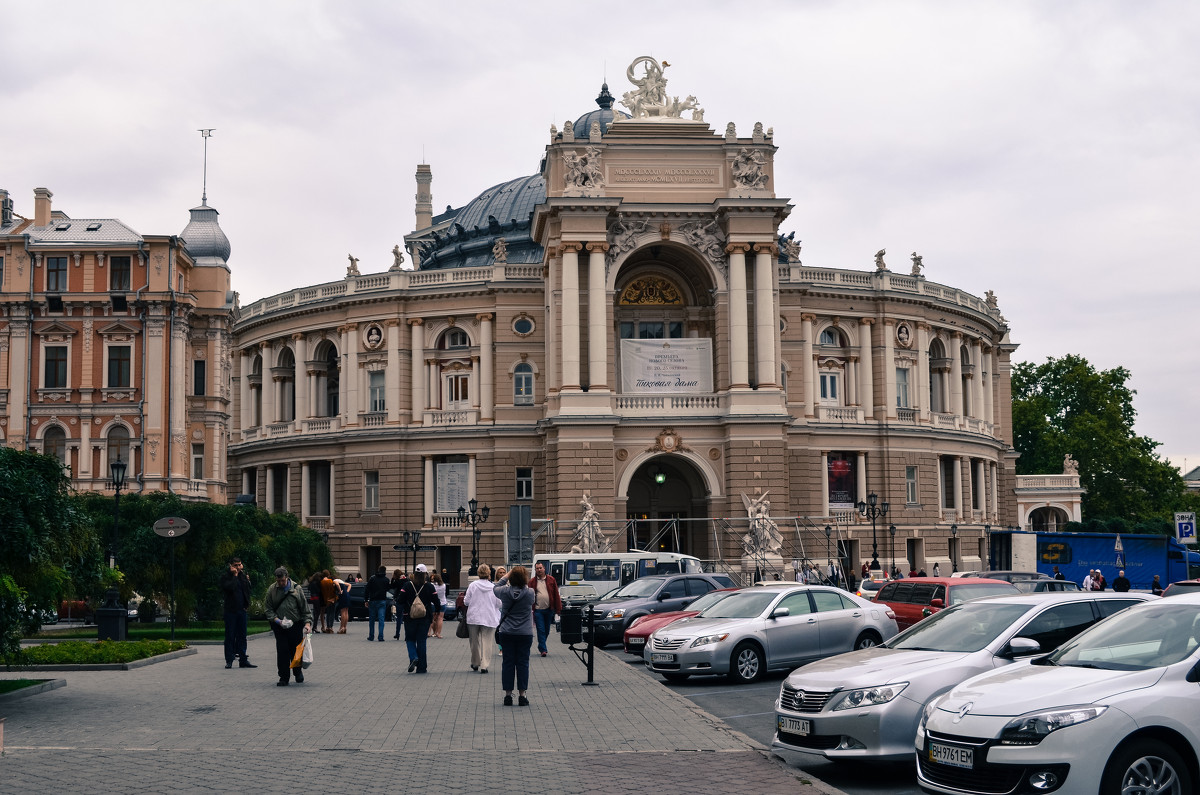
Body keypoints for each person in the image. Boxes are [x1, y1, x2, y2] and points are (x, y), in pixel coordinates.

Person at [493, 565, 535, 706]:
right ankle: (522, 695)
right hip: (524, 633)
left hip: (507, 632)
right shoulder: (530, 593)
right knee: (523, 663)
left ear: (511, 577)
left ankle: (508, 695)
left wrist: (508, 574)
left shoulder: (504, 592)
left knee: (508, 663)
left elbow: (495, 586)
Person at [263, 566, 312, 686]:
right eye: (278, 581)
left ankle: (297, 672)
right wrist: (277, 621)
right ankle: (284, 677)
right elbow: (268, 608)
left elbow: (305, 609)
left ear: (287, 577)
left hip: (295, 625)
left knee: (296, 650)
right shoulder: (272, 589)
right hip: (279, 626)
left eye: (283, 581)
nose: (280, 583)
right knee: (282, 651)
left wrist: (307, 623)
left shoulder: (296, 589)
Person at [398, 564, 439, 673]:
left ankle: (413, 657)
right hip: (425, 618)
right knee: (421, 641)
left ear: (415, 574)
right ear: (425, 574)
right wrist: (436, 613)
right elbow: (436, 602)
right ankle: (422, 667)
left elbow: (400, 600)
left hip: (409, 617)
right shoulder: (430, 586)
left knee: (410, 639)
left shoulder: (407, 586)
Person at [464, 563, 501, 673]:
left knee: (474, 641)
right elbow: (499, 604)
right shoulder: (494, 587)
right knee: (487, 641)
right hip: (489, 617)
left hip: (474, 617)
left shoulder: (473, 585)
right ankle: (484, 665)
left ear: (478, 573)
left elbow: (466, 601)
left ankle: (475, 662)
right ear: (489, 574)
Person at [219, 557, 256, 669]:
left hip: (242, 611)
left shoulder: (243, 576)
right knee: (230, 636)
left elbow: (247, 591)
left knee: (242, 636)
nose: (238, 567)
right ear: (231, 566)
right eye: (235, 565)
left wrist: (247, 604)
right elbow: (230, 588)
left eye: (239, 565)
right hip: (231, 611)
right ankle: (229, 660)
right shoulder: (226, 577)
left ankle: (243, 659)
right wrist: (234, 576)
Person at [529, 562, 562, 657]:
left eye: (540, 568)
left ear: (544, 568)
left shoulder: (551, 580)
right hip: (538, 610)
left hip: (549, 609)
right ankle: (543, 649)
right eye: (537, 568)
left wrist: (558, 609)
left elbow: (556, 594)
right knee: (541, 630)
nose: (539, 570)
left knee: (546, 630)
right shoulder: (532, 582)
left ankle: (541, 645)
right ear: (535, 570)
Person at [365, 565, 390, 641]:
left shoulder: (372, 579)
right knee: (381, 619)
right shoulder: (386, 580)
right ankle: (381, 636)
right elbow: (388, 588)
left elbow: (367, 589)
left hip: (373, 600)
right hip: (382, 600)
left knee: (371, 619)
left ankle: (371, 636)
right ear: (385, 571)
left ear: (378, 570)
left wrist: (366, 600)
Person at [429, 573, 447, 639]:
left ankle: (430, 632)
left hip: (433, 603)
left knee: (433, 618)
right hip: (442, 602)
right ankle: (438, 633)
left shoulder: (432, 585)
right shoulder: (444, 585)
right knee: (440, 618)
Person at [390, 568, 406, 639]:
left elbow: (392, 586)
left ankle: (397, 634)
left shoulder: (397, 581)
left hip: (399, 600)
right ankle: (406, 635)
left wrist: (393, 579)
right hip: (406, 601)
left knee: (399, 618)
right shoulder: (406, 580)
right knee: (406, 618)